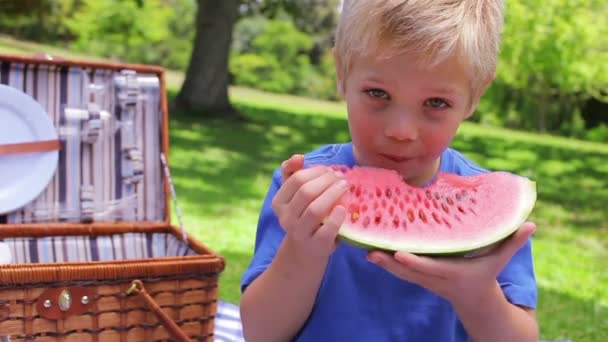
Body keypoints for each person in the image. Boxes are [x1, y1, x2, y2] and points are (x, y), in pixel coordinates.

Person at [239, 1, 538, 341]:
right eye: (378, 93)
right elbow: (261, 334)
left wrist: (478, 295)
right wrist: (301, 252)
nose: (401, 131)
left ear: (476, 95)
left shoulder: (493, 219)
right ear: (342, 74)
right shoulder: (302, 189)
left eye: (436, 103)